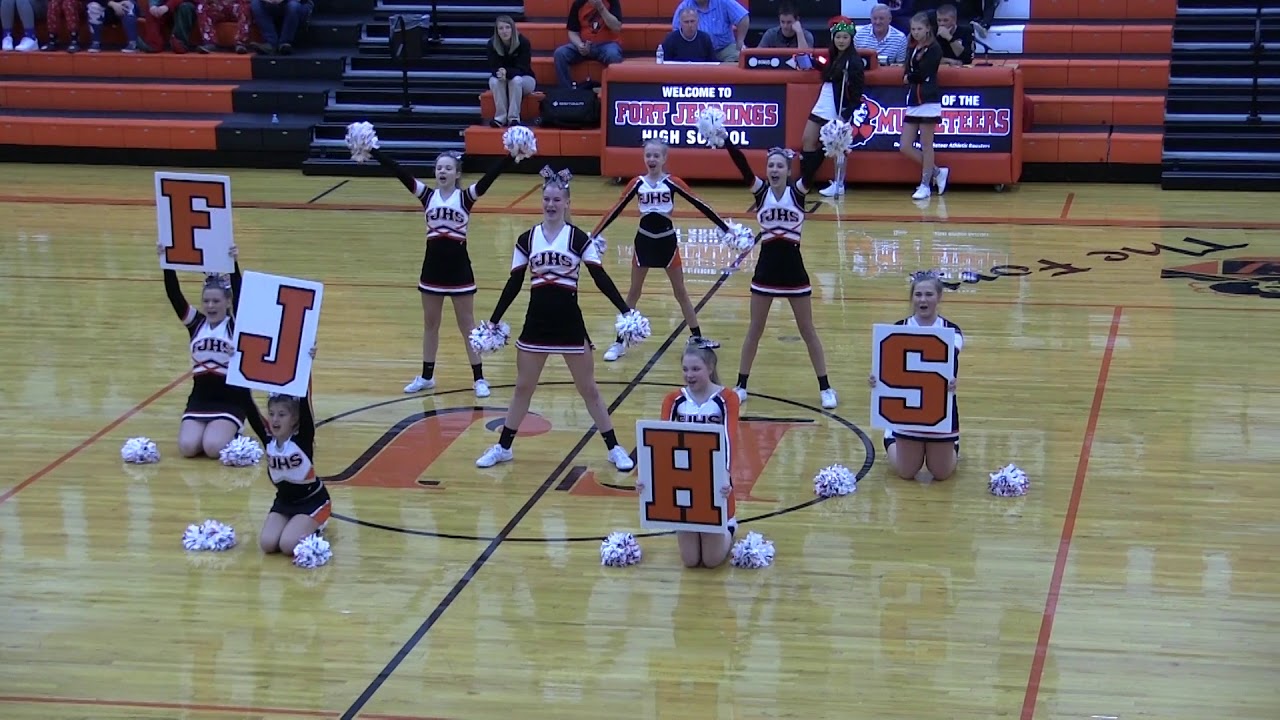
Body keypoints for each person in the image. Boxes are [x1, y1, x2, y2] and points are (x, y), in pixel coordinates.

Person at [474, 167, 637, 471]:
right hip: (536, 324)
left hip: (569, 324)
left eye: (557, 200)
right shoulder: (526, 239)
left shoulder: (578, 239)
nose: (551, 204)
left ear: (567, 203)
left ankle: (614, 448)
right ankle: (503, 447)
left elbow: (599, 277)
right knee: (523, 388)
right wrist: (494, 320)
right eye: (547, 199)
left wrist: (624, 310)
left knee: (589, 390)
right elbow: (514, 283)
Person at [370, 146, 515, 398]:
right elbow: (398, 171)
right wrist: (373, 151)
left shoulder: (466, 198)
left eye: (448, 168)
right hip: (432, 269)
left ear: (457, 173)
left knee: (467, 325)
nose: (442, 171)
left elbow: (489, 178)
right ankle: (427, 376)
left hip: (459, 269)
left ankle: (479, 378)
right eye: (439, 168)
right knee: (430, 324)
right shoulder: (427, 196)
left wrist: (511, 156)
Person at [720, 140, 838, 410]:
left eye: (779, 166)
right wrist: (725, 140)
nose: (774, 170)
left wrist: (830, 144)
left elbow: (813, 167)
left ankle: (825, 388)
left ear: (788, 170)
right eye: (771, 166)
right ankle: (741, 385)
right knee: (755, 329)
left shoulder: (798, 192)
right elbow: (741, 164)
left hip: (794, 270)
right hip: (766, 270)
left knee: (807, 330)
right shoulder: (760, 192)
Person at [590, 138, 731, 362]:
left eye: (656, 155)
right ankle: (619, 342)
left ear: (664, 158)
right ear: (644, 158)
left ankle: (696, 337)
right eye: (648, 155)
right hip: (644, 242)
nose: (652, 159)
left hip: (667, 243)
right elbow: (615, 210)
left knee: (680, 292)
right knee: (634, 292)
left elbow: (700, 204)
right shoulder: (636, 183)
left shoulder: (672, 182)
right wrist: (594, 234)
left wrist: (726, 228)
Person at [159, 241, 268, 458]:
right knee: (188, 448)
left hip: (230, 400)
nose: (210, 306)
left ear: (227, 303)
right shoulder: (196, 324)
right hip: (199, 400)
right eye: (206, 301)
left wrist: (233, 265)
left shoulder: (235, 326)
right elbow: (174, 295)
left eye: (216, 301)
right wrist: (166, 264)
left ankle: (235, 431)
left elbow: (239, 295)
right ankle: (216, 431)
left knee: (212, 448)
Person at [637, 341, 739, 568]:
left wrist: (725, 474)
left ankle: (730, 526)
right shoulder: (673, 400)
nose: (689, 375)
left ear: (710, 368)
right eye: (685, 369)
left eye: (695, 369)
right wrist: (647, 479)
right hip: (683, 481)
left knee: (712, 561)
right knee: (691, 560)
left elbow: (728, 439)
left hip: (713, 482)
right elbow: (660, 442)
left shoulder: (727, 398)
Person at [868, 271, 961, 480]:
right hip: (906, 411)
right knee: (906, 472)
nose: (923, 300)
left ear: (939, 297)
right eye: (918, 294)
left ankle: (953, 443)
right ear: (912, 298)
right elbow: (888, 367)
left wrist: (950, 382)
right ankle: (891, 435)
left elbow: (947, 364)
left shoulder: (952, 331)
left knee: (941, 474)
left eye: (929, 294)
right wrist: (877, 379)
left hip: (939, 409)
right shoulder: (897, 329)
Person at [240, 349, 332, 555]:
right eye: (272, 414)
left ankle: (317, 523)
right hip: (284, 502)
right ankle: (297, 524)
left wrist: (306, 364)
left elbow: (306, 400)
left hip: (313, 501)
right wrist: (236, 364)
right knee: (267, 544)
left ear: (294, 419)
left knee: (288, 546)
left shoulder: (302, 438)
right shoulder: (268, 439)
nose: (275, 419)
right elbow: (248, 406)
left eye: (282, 415)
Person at [801, 19, 864, 198]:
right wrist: (810, 62)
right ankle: (806, 181)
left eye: (845, 37)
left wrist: (847, 112)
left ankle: (839, 183)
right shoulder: (832, 56)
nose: (841, 41)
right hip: (823, 100)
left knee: (838, 146)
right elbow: (824, 67)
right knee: (808, 139)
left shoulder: (854, 61)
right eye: (838, 37)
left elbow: (858, 90)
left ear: (851, 39)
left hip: (838, 106)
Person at [902, 11, 949, 200]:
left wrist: (910, 77)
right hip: (914, 99)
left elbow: (924, 73)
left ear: (928, 28)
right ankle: (937, 172)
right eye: (913, 29)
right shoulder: (912, 46)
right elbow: (907, 69)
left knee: (926, 144)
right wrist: (908, 76)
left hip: (929, 99)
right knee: (905, 146)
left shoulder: (934, 48)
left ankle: (925, 185)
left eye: (919, 29)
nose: (916, 32)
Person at [552, 0, 623, 88]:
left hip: (606, 45)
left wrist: (601, 8)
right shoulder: (579, 3)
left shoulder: (612, 2)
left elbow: (616, 27)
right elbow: (573, 32)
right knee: (560, 53)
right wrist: (579, 45)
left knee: (613, 55)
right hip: (585, 45)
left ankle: (612, 89)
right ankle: (567, 90)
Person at [487, 15, 535, 127]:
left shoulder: (523, 42)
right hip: (503, 79)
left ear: (513, 29)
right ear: (497, 31)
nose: (504, 31)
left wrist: (507, 73)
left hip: (525, 79)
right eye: (501, 28)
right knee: (494, 81)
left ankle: (514, 118)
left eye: (507, 27)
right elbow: (493, 67)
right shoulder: (491, 44)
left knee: (515, 80)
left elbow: (523, 68)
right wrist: (500, 73)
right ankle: (500, 118)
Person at [669, 0, 747, 64]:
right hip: (698, 51)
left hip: (724, 48)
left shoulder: (725, 2)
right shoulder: (684, 6)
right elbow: (677, 32)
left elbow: (743, 17)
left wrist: (740, 40)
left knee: (738, 58)